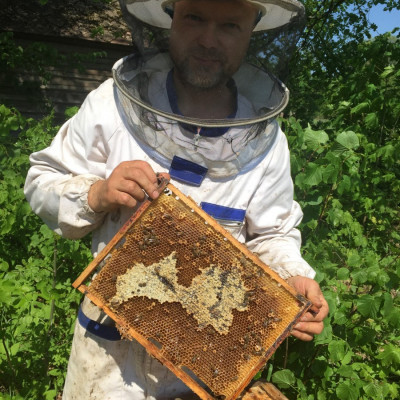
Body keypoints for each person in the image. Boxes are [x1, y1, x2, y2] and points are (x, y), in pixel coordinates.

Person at [24, 0, 329, 398]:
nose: (207, 39)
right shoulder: (110, 107)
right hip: (105, 368)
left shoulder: (268, 145)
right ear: (171, 20)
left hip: (202, 370)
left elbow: (273, 234)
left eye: (229, 26)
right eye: (195, 18)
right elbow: (41, 182)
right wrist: (96, 194)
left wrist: (293, 276)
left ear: (250, 34)